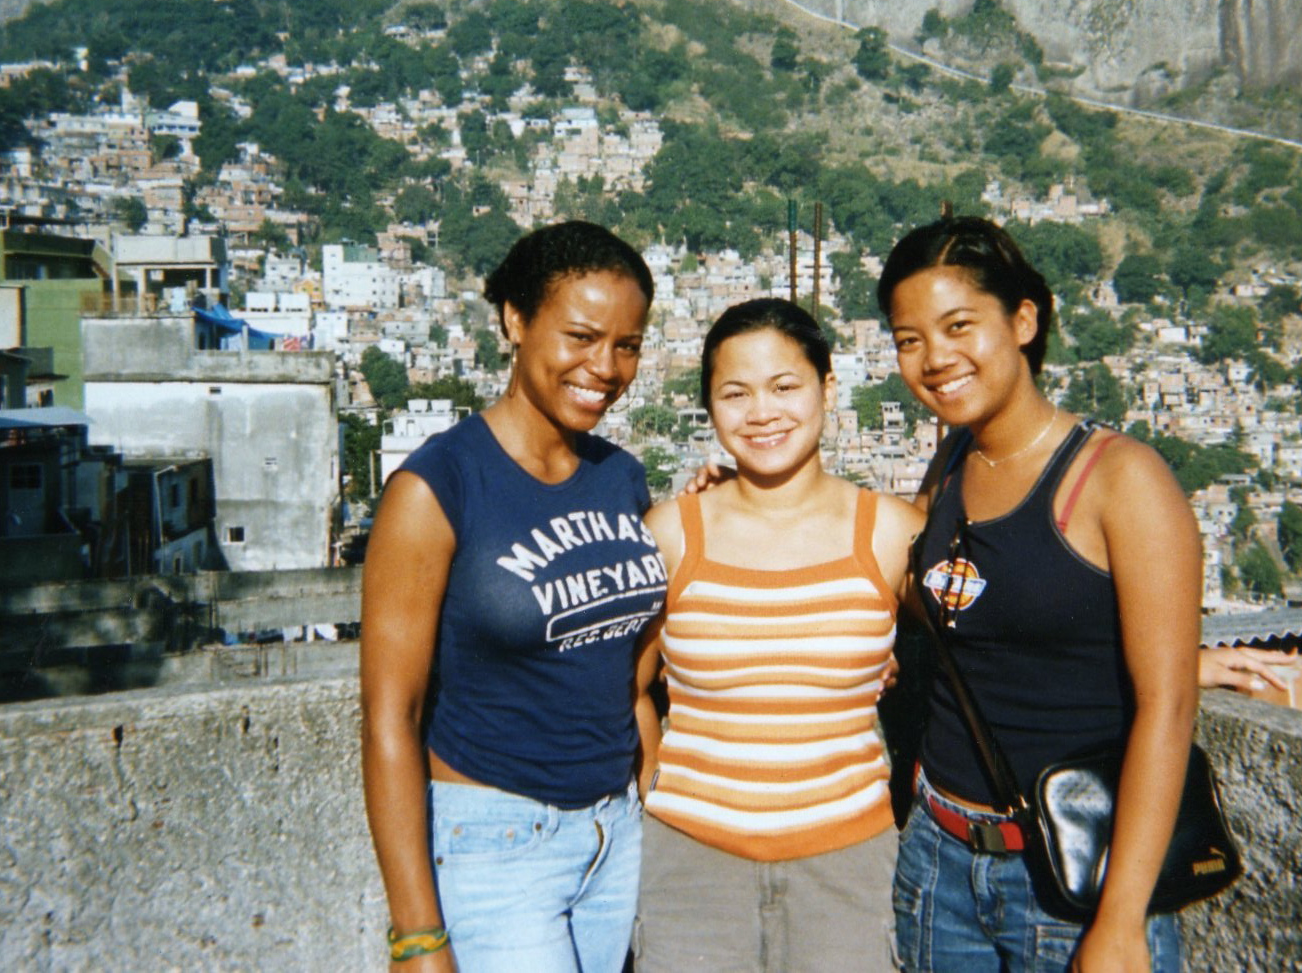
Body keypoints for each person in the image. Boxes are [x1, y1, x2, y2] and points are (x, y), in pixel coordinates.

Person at [878, 216, 1201, 973]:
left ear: (1024, 319)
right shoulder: (953, 460)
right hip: (938, 857)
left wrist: (1121, 922)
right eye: (908, 339)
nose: (935, 359)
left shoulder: (1120, 479)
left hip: (1069, 878)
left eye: (959, 326)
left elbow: (1169, 708)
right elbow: (938, 599)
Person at [360, 222, 664, 972]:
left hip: (616, 835)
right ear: (516, 321)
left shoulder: (620, 476)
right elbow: (388, 717)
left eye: (627, 344)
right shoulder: (437, 489)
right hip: (498, 844)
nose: (606, 367)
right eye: (582, 336)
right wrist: (416, 933)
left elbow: (631, 661)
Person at [634, 298, 924, 972]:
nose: (762, 413)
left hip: (850, 868)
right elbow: (626, 683)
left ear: (827, 387)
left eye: (785, 386)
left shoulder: (890, 533)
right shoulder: (673, 533)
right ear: (709, 407)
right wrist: (655, 785)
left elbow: (991, 642)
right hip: (690, 868)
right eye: (735, 394)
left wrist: (1177, 663)